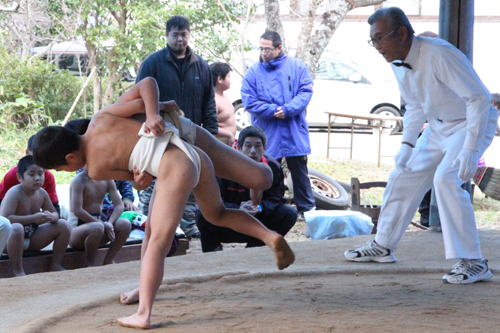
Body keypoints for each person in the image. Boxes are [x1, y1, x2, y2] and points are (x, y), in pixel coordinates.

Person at [32, 77, 295, 329]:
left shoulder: (96, 169)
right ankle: (270, 237)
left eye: (62, 169)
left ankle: (143, 314)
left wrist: (152, 117)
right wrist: (152, 116)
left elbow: (135, 180)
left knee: (158, 239)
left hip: (175, 163)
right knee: (215, 213)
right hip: (190, 154)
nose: (67, 173)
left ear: (69, 157)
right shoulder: (102, 117)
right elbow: (138, 178)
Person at [344, 7, 498, 284]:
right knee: (403, 175)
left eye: (380, 38)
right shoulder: (397, 61)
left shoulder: (439, 54)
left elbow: (478, 99)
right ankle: (383, 245)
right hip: (438, 126)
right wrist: (407, 143)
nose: (377, 47)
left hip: (471, 122)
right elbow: (414, 106)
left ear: (401, 33)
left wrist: (471, 149)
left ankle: (474, 262)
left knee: (445, 181)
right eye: (373, 40)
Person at [136, 15, 218, 238]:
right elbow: (138, 100)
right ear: (166, 36)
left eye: (184, 34)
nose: (180, 39)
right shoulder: (152, 63)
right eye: (175, 34)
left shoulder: (201, 66)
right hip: (159, 138)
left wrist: (211, 136)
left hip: (191, 135)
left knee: (189, 180)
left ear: (189, 35)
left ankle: (187, 228)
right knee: (156, 184)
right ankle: (148, 226)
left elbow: (209, 104)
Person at [241, 30, 316, 218]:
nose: (263, 53)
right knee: (268, 170)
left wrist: (289, 109)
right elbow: (249, 101)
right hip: (267, 131)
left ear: (279, 48)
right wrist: (274, 111)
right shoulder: (253, 72)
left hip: (293, 129)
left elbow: (306, 91)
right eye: (261, 49)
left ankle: (307, 210)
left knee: (299, 171)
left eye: (267, 49)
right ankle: (268, 207)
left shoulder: (297, 67)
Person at [196, 126, 297, 252]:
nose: (253, 151)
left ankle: (256, 247)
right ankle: (212, 251)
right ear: (239, 148)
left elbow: (276, 199)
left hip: (258, 221)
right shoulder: (222, 165)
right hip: (228, 221)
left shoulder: (272, 167)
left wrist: (259, 208)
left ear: (264, 148)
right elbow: (213, 200)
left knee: (289, 213)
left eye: (258, 146)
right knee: (201, 213)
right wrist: (239, 210)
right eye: (248, 146)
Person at [0, 155, 70, 277]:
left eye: (40, 174)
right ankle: (18, 271)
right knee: (16, 228)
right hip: (11, 240)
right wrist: (33, 218)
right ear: (20, 177)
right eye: (31, 175)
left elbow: (54, 213)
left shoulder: (42, 193)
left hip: (33, 237)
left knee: (63, 225)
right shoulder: (14, 192)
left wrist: (51, 217)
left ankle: (56, 265)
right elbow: (5, 219)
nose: (37, 178)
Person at [69, 167, 132, 266]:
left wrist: (110, 223)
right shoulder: (78, 181)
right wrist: (102, 224)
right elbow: (77, 210)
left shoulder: (107, 180)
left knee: (125, 224)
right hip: (76, 232)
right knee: (97, 227)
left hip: (99, 228)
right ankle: (90, 263)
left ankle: (109, 260)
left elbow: (119, 205)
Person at [0, 135, 60, 215]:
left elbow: (54, 206)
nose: (37, 178)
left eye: (46, 156)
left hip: (37, 222)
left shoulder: (47, 177)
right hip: (14, 222)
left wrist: (52, 217)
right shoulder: (11, 175)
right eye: (38, 155)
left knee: (62, 223)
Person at [210, 62, 237, 146]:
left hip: (228, 144)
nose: (230, 80)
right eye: (228, 77)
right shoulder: (213, 100)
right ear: (220, 79)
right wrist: (228, 134)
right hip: (218, 144)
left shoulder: (224, 94)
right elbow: (207, 127)